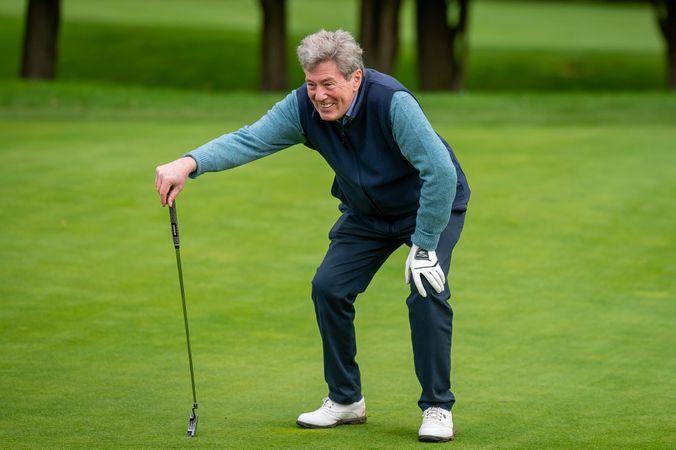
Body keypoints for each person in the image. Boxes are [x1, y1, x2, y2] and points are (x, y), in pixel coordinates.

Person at [155, 29, 470, 442]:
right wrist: (190, 162)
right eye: (311, 84)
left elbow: (441, 173)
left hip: (428, 206)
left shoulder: (392, 103)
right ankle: (345, 401)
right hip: (367, 213)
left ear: (355, 78)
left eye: (328, 84)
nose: (319, 95)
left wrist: (426, 244)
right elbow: (251, 139)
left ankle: (436, 406)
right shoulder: (303, 108)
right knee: (329, 287)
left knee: (426, 291)